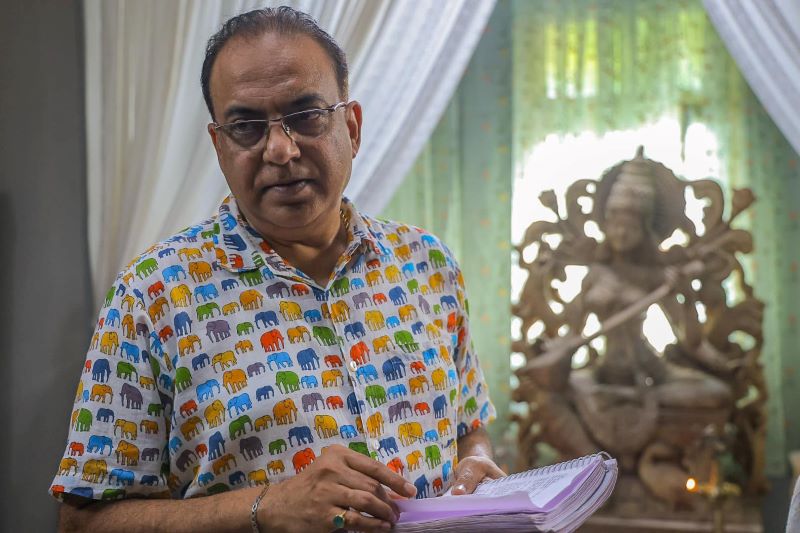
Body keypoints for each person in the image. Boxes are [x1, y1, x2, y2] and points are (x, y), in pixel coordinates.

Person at [51, 6, 504, 533]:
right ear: (220, 146)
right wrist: (265, 507)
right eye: (246, 126)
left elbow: (469, 427)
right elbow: (83, 521)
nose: (281, 150)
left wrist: (476, 461)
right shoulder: (152, 294)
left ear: (351, 127)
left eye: (306, 115)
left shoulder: (428, 264)